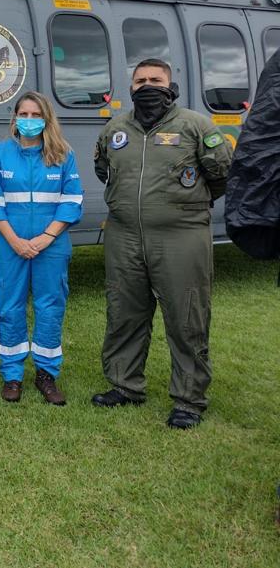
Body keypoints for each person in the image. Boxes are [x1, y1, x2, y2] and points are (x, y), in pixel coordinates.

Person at [92, 58, 232, 429]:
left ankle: (188, 399)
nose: (148, 85)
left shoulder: (195, 125)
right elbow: (103, 169)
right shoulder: (115, 128)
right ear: (131, 86)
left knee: (187, 318)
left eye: (156, 79)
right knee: (124, 313)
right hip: (124, 235)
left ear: (171, 85)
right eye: (141, 80)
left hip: (181, 237)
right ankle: (125, 385)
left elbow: (220, 175)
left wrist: (182, 210)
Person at [0, 91, 83, 405]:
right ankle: (12, 375)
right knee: (9, 306)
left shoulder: (64, 155)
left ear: (46, 118)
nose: (28, 121)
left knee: (50, 307)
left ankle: (46, 374)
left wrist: (45, 238)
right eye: (22, 115)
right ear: (14, 118)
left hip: (50, 246)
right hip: (10, 245)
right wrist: (15, 241)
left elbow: (72, 201)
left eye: (34, 115)